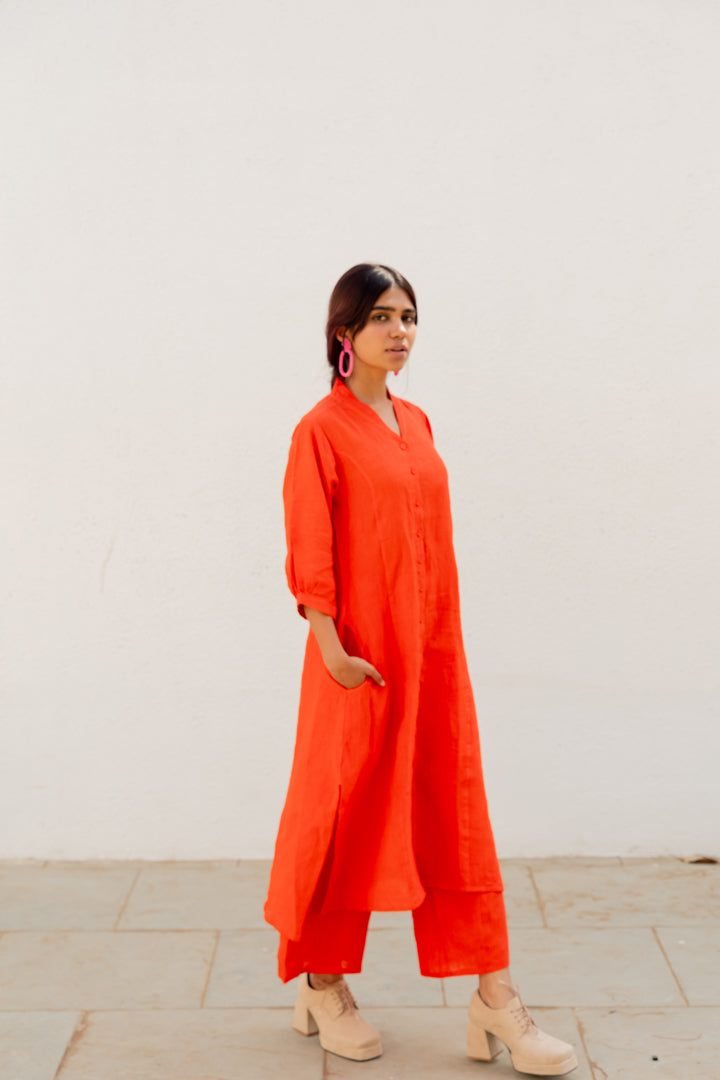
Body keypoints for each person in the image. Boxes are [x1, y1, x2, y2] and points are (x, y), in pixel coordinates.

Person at [264, 264, 577, 1076]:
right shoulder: (319, 431)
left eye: (407, 316)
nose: (399, 331)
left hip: (432, 659)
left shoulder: (418, 421)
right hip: (358, 663)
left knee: (455, 815)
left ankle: (495, 998)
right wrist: (333, 651)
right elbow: (311, 546)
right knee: (342, 818)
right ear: (344, 333)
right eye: (380, 317)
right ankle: (321, 983)